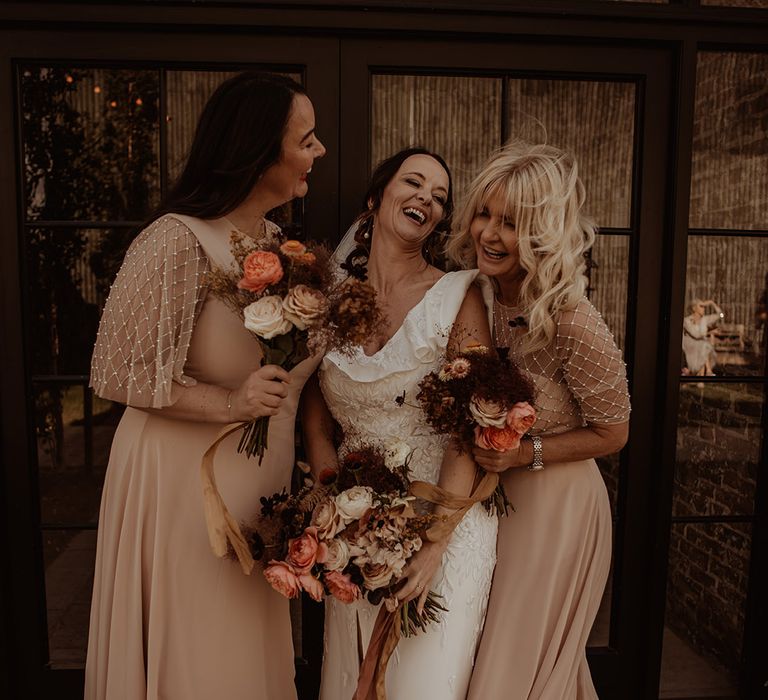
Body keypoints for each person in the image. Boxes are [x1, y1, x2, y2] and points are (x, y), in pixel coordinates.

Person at [85, 71, 326, 700]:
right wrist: (230, 401)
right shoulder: (176, 240)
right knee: (199, 655)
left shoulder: (279, 246)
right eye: (307, 139)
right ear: (257, 151)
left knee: (242, 656)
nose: (319, 151)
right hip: (183, 488)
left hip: (257, 492)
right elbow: (116, 372)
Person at [301, 148, 497, 699]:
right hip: (354, 534)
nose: (426, 200)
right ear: (376, 197)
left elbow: (468, 426)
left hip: (444, 527)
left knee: (422, 686)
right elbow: (316, 420)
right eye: (413, 183)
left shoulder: (458, 296)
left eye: (439, 197)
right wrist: (333, 506)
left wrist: (434, 543)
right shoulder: (331, 301)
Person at [445, 141, 631, 699]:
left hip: (557, 508)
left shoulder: (572, 320)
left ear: (545, 233)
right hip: (494, 501)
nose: (490, 234)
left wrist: (525, 454)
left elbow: (614, 432)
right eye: (485, 214)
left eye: (512, 223)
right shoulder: (472, 293)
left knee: (515, 664)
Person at [682, 298, 724, 376]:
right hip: (690, 345)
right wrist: (709, 332)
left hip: (701, 345)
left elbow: (721, 315)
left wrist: (712, 303)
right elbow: (696, 335)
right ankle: (708, 371)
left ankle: (701, 377)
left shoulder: (705, 319)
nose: (704, 308)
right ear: (694, 308)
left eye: (704, 306)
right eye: (701, 306)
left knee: (703, 346)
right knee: (704, 346)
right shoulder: (687, 320)